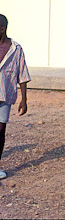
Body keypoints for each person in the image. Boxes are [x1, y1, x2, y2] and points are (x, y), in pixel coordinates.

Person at [0, 14, 30, 180]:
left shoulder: (16, 49)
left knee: (1, 130)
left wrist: (24, 100)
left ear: (2, 29)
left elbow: (23, 75)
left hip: (5, 96)